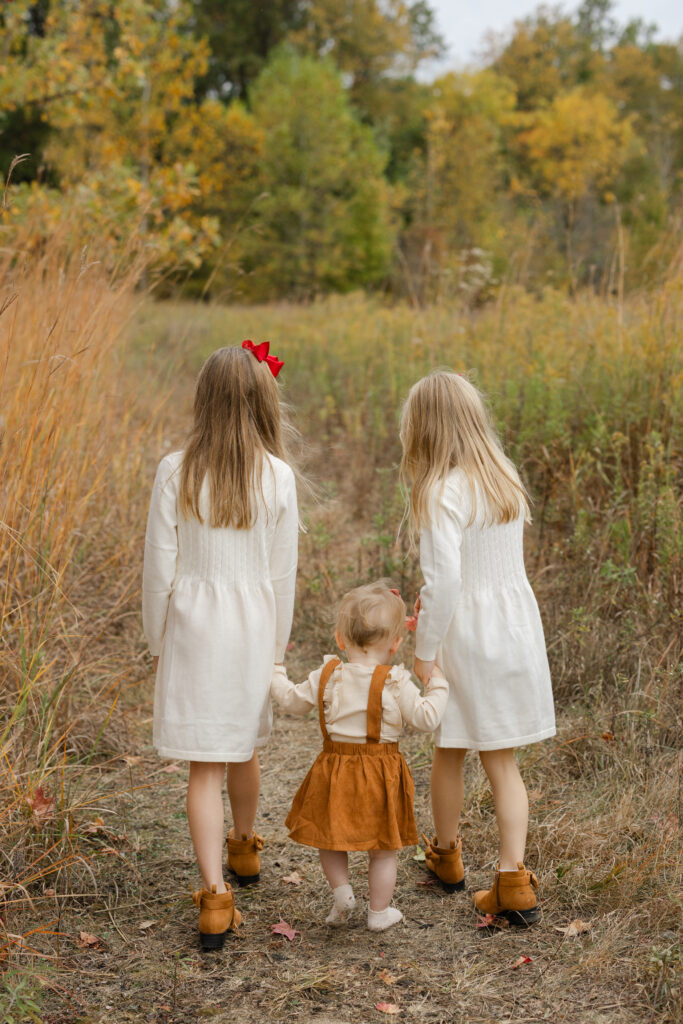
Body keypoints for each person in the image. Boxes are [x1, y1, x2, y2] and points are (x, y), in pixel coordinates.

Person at [142, 341, 298, 950]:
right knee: (243, 746)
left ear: (203, 399)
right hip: (253, 626)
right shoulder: (278, 475)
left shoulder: (175, 470)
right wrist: (277, 650)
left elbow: (160, 568)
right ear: (263, 398)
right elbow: (283, 574)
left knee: (203, 767)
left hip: (194, 626)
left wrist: (160, 636)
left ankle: (214, 895)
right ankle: (245, 844)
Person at [399, 371, 555, 926]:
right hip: (513, 625)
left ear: (424, 429)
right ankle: (513, 878)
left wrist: (424, 650)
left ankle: (446, 854)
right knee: (502, 761)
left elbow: (444, 584)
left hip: (468, 632)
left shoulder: (442, 490)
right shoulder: (503, 476)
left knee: (449, 745)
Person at [271, 581, 448, 932]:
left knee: (329, 838)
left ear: (340, 639)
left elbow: (291, 701)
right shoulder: (396, 682)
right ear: (396, 645)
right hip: (381, 774)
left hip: (333, 770)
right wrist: (438, 684)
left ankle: (342, 892)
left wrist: (274, 673)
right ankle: (378, 913)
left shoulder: (326, 675)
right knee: (383, 849)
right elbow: (427, 718)